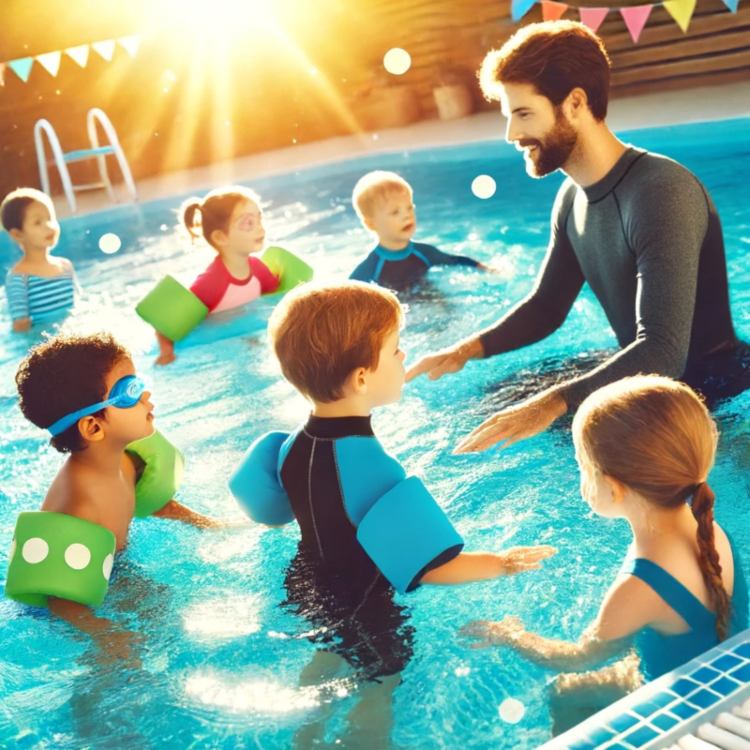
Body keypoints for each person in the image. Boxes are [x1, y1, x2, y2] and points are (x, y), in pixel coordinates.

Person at [229, 281, 555, 749]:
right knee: (380, 686)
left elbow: (278, 511)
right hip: (362, 600)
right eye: (396, 350)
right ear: (362, 378)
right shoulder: (372, 465)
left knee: (327, 660)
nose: (405, 358)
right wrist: (502, 563)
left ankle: (304, 739)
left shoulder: (289, 448)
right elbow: (429, 567)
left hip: (305, 583)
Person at [406, 21, 740, 454]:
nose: (511, 135)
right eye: (508, 116)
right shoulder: (570, 197)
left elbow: (662, 350)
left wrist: (549, 404)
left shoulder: (661, 191)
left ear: (575, 103)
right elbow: (547, 306)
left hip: (717, 396)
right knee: (483, 407)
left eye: (523, 114)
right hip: (640, 381)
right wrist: (466, 350)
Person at [461, 375, 748, 724]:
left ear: (613, 488)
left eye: (583, 466)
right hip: (725, 671)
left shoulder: (639, 586)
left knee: (565, 692)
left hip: (686, 706)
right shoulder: (712, 529)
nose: (580, 476)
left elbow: (578, 658)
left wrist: (511, 635)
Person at [11, 333, 221, 661]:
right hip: (77, 595)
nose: (146, 394)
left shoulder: (124, 460)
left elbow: (155, 504)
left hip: (115, 568)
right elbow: (61, 600)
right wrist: (107, 635)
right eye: (129, 391)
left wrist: (206, 524)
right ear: (93, 427)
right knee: (122, 660)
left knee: (166, 611)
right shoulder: (79, 504)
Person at [154, 186, 280, 365]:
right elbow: (168, 325)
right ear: (221, 237)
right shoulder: (211, 283)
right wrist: (166, 353)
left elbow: (277, 299)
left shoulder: (259, 269)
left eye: (260, 219)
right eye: (248, 223)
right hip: (223, 350)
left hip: (249, 334)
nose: (260, 229)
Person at [349, 170, 487, 289]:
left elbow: (454, 260)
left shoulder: (424, 253)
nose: (406, 215)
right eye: (395, 212)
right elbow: (347, 296)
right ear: (371, 224)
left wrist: (484, 267)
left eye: (409, 208)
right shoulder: (370, 268)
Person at [1, 187, 78, 332]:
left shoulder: (66, 266)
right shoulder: (19, 278)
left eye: (50, 218)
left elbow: (76, 310)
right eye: (38, 222)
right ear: (17, 234)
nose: (48, 226)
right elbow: (21, 326)